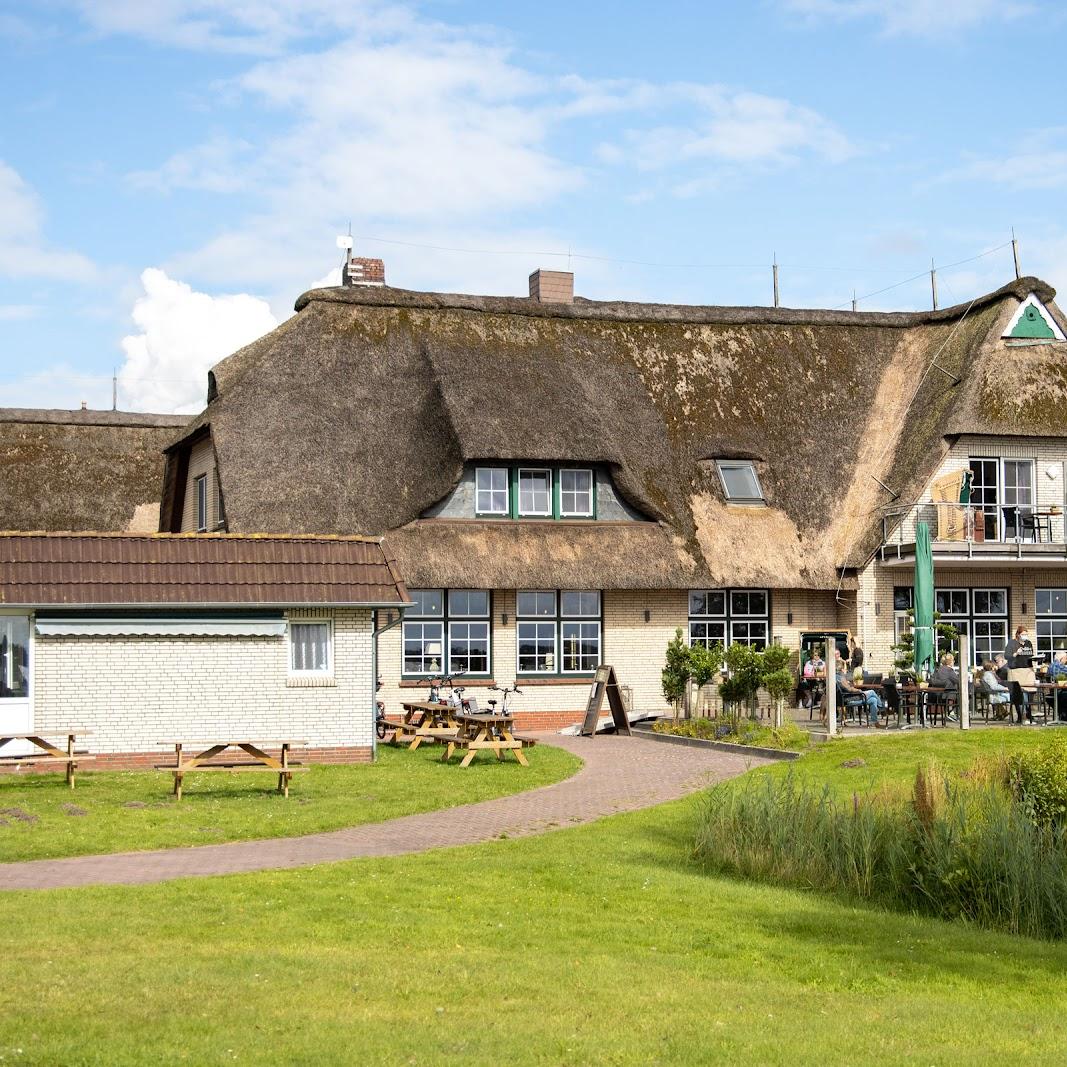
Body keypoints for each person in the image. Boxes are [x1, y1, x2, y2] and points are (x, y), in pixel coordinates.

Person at [835, 648, 882, 727]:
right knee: (872, 692)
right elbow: (849, 689)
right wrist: (859, 690)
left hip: (849, 698)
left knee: (873, 700)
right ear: (842, 669)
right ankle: (882, 708)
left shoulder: (838, 677)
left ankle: (875, 721)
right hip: (850, 699)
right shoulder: (841, 678)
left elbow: (847, 687)